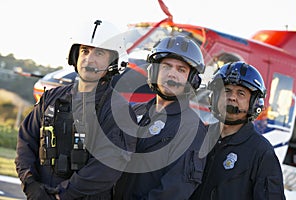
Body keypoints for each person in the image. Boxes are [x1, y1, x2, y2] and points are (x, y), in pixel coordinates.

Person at [15, 19, 136, 200]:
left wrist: (61, 195)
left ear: (113, 61)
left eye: (99, 53)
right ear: (75, 56)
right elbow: (26, 143)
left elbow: (107, 166)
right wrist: (31, 184)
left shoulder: (120, 111)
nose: (89, 58)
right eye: (84, 51)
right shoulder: (50, 98)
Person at [113, 35, 207, 199]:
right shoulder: (135, 113)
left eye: (181, 70)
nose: (172, 74)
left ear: (192, 80)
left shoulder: (192, 128)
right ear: (154, 72)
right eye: (166, 67)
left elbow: (174, 191)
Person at [190, 61, 286, 199]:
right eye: (226, 90)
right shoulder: (198, 137)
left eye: (241, 93)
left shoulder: (261, 152)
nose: (232, 97)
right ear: (214, 97)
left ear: (253, 103)